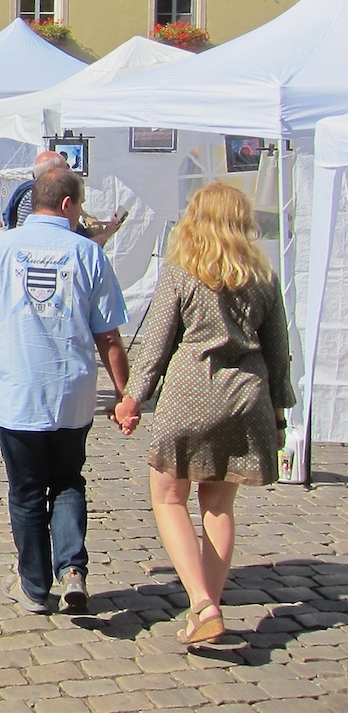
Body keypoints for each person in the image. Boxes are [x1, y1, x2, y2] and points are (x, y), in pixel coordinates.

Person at [113, 183, 294, 646]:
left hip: (192, 391)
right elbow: (278, 354)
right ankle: (205, 608)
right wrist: (277, 417)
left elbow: (155, 344)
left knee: (168, 497)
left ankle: (201, 603)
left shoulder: (182, 271)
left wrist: (132, 396)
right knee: (218, 506)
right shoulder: (263, 275)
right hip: (246, 396)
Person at [0, 167, 130, 615]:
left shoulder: (2, 248)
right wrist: (125, 392)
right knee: (69, 480)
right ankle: (71, 567)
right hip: (70, 389)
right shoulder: (87, 254)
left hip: (17, 391)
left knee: (28, 489)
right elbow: (108, 335)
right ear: (68, 204)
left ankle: (35, 585)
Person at [0, 151, 123, 247]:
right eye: (65, 169)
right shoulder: (33, 196)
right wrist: (106, 234)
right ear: (52, 174)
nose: (69, 172)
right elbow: (29, 239)